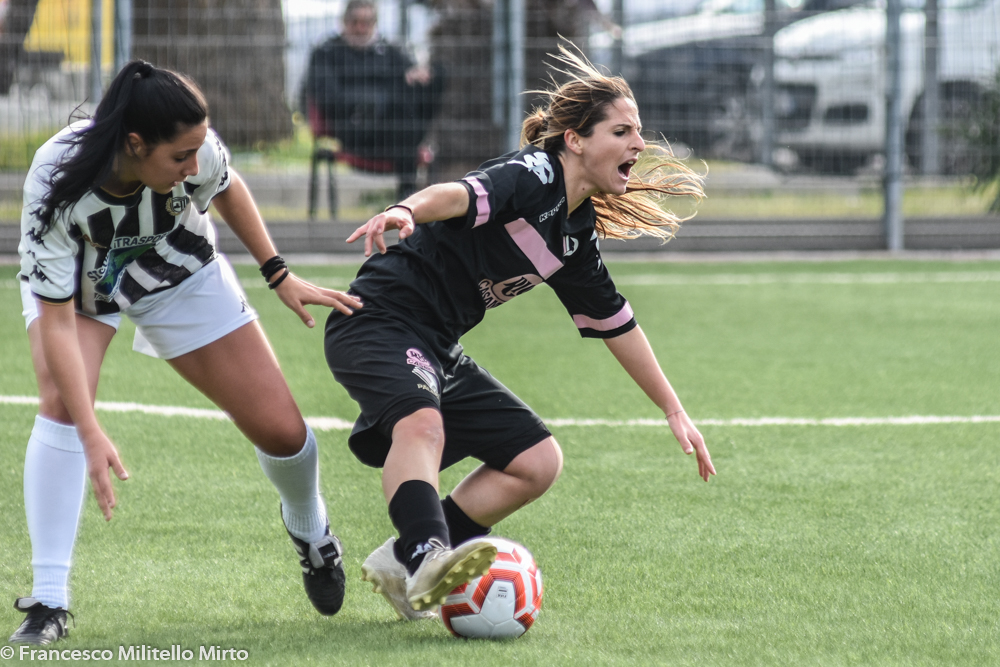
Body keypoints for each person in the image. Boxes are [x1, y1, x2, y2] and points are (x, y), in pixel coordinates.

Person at [323, 44, 717, 622]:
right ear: (576, 139)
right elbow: (459, 194)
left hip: (437, 343)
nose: (639, 144)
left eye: (639, 132)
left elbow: (616, 322)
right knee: (422, 424)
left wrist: (673, 409)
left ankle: (400, 566)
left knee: (537, 460)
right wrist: (407, 210)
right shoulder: (533, 173)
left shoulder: (575, 235)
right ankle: (427, 552)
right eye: (623, 130)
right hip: (378, 317)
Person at [9, 60, 363, 645]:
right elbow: (56, 321)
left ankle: (311, 529)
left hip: (174, 267)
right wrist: (92, 428)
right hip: (82, 285)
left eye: (200, 151)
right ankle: (49, 601)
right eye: (179, 158)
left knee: (282, 432)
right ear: (134, 143)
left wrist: (279, 275)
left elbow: (226, 187)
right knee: (62, 405)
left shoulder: (191, 144)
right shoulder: (56, 180)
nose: (194, 166)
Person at [300, 0, 444, 199]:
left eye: (367, 22)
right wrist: (374, 101)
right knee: (400, 113)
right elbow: (329, 98)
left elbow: (411, 80)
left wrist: (419, 76)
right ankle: (408, 193)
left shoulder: (390, 51)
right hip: (355, 131)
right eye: (355, 22)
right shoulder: (326, 53)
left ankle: (409, 193)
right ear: (343, 22)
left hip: (396, 131)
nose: (361, 28)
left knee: (434, 79)